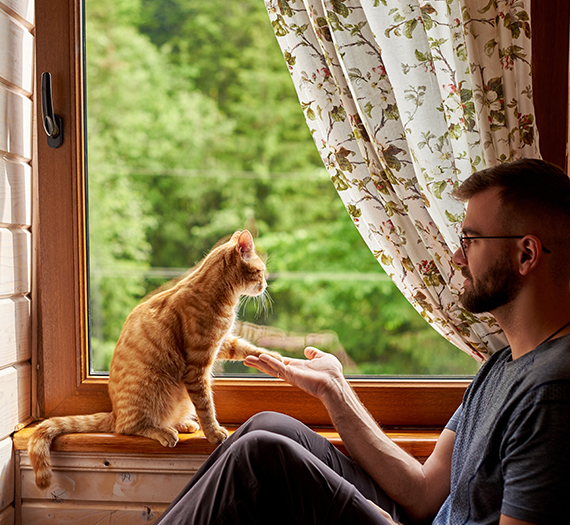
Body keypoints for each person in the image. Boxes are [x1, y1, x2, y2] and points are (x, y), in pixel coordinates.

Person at [155, 158, 570, 525]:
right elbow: (424, 495)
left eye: (471, 241)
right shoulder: (500, 368)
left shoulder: (552, 394)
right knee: (269, 425)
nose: (457, 258)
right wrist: (335, 390)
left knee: (264, 456)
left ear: (526, 255)